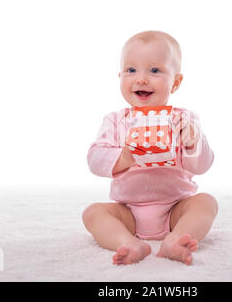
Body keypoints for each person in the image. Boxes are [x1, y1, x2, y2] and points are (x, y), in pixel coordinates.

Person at [83, 30, 217, 265]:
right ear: (120, 76)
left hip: (176, 207)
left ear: (175, 82)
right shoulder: (115, 121)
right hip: (129, 211)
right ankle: (127, 242)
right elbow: (95, 159)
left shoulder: (184, 119)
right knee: (93, 213)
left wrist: (193, 141)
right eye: (131, 70)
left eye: (154, 70)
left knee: (206, 202)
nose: (141, 79)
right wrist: (124, 156)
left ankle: (176, 240)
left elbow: (203, 164)